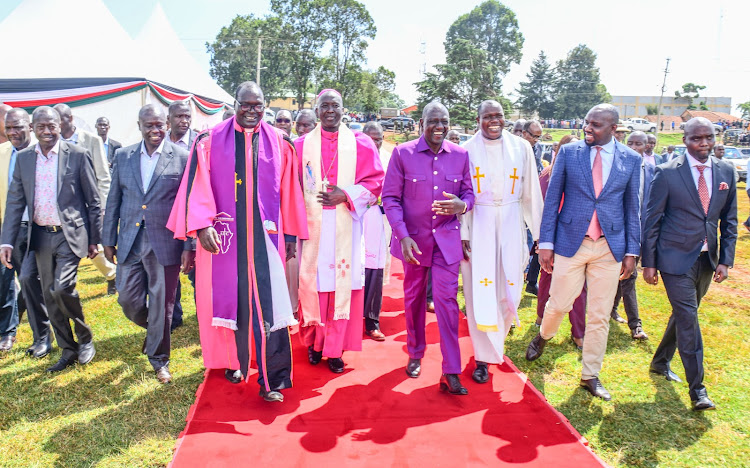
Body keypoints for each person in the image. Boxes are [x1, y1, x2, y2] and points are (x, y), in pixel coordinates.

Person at [168, 81, 308, 402]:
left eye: (257, 105)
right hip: (227, 243)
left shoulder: (280, 144)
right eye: (245, 104)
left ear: (264, 106)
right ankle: (236, 362)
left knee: (270, 308)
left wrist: (288, 238)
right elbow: (197, 184)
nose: (251, 111)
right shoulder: (210, 141)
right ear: (234, 104)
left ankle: (272, 380)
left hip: (266, 241)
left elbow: (289, 193)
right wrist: (202, 226)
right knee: (235, 305)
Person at [525, 104, 641, 401]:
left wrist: (631, 251)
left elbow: (632, 209)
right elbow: (552, 201)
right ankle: (544, 336)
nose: (588, 129)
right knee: (560, 303)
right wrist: (546, 244)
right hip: (570, 243)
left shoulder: (630, 158)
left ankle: (590, 374)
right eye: (586, 123)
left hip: (608, 247)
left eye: (596, 125)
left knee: (599, 315)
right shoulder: (570, 153)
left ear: (613, 128)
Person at [643, 117, 737, 411]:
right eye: (697, 139)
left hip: (707, 260)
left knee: (685, 314)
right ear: (685, 140)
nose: (704, 144)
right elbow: (652, 220)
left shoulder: (726, 171)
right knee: (689, 319)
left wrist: (726, 260)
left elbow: (729, 220)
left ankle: (659, 362)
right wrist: (650, 262)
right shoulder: (667, 172)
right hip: (673, 258)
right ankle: (698, 390)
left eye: (708, 137)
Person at [0, 106, 102, 373]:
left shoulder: (77, 155)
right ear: (32, 128)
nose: (47, 131)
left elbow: (93, 201)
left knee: (61, 288)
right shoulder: (24, 159)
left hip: (69, 235)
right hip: (40, 236)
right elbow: (15, 202)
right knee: (48, 293)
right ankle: (68, 349)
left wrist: (94, 238)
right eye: (41, 126)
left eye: (51, 126)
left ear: (60, 126)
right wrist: (7, 241)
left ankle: (85, 336)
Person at [382, 101, 474, 395]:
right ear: (421, 123)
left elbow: (469, 193)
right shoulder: (403, 153)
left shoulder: (460, 155)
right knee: (414, 299)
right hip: (414, 242)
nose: (439, 126)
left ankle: (451, 369)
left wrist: (463, 205)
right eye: (433, 121)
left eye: (444, 121)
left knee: (447, 303)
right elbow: (390, 198)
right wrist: (403, 234)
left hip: (446, 243)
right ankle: (415, 352)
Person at [103, 104, 194, 384]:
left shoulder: (182, 157)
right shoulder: (124, 155)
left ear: (167, 124)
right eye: (149, 125)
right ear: (139, 125)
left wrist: (189, 245)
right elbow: (114, 200)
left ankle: (159, 360)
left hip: (165, 243)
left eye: (159, 125)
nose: (155, 130)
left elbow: (189, 205)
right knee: (127, 300)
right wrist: (108, 238)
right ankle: (154, 330)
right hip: (129, 240)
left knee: (163, 304)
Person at [295, 89, 384, 374]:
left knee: (341, 288)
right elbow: (290, 187)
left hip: (346, 223)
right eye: (324, 106)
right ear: (317, 110)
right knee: (315, 286)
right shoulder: (301, 145)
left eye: (336, 106)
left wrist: (345, 194)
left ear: (344, 109)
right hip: (313, 228)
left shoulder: (361, 143)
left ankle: (334, 350)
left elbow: (376, 183)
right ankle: (314, 343)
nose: (330, 110)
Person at [460, 100, 542, 383]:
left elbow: (531, 193)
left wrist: (541, 236)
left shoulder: (521, 148)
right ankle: (483, 357)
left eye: (499, 116)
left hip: (510, 222)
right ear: (478, 119)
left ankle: (499, 342)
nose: (493, 121)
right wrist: (463, 234)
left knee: (511, 286)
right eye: (487, 116)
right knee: (479, 291)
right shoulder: (466, 150)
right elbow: (462, 195)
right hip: (479, 223)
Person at [0, 109, 50, 358]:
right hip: (11, 230)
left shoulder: (42, 153)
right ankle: (23, 334)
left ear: (29, 126)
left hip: (40, 229)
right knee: (16, 282)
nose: (12, 133)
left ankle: (49, 333)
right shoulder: (3, 154)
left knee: (38, 283)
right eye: (8, 129)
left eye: (17, 127)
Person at [53, 104, 116, 295]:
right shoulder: (51, 141)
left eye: (58, 120)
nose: (54, 125)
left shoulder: (90, 140)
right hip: (63, 206)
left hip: (89, 205)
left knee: (93, 248)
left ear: (70, 119)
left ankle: (112, 275)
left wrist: (104, 209)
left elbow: (103, 177)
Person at [534, 135, 586, 351]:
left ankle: (578, 332)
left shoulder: (584, 175)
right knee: (547, 280)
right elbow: (541, 208)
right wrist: (543, 240)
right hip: (553, 238)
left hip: (575, 238)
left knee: (577, 287)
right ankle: (540, 318)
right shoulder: (547, 175)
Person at [609, 131, 650, 339]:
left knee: (624, 274)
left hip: (641, 231)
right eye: (630, 143)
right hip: (619, 230)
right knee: (630, 276)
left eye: (639, 144)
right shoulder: (618, 166)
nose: (634, 147)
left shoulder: (653, 171)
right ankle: (636, 325)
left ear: (648, 146)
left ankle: (612, 308)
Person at [166, 100, 198, 331]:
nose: (184, 121)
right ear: (169, 119)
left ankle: (203, 313)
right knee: (169, 269)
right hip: (168, 217)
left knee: (198, 270)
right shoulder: (160, 141)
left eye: (187, 116)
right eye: (179, 116)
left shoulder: (201, 141)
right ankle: (173, 315)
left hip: (195, 216)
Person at [361, 121, 391, 341]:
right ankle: (349, 317)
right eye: (369, 138)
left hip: (379, 220)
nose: (374, 143)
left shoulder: (390, 159)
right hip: (355, 218)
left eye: (378, 139)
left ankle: (372, 320)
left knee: (375, 268)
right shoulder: (353, 159)